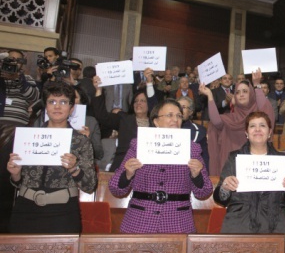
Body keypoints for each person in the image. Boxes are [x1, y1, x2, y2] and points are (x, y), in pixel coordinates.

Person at [110, 99, 212, 233]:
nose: (175, 119)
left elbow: (204, 192)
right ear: (156, 121)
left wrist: (197, 175)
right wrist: (127, 174)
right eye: (169, 115)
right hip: (140, 221)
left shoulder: (192, 149)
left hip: (178, 223)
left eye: (179, 116)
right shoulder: (139, 145)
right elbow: (116, 189)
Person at [7, 82, 97, 233]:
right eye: (52, 102)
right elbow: (17, 182)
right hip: (25, 209)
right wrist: (15, 174)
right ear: (45, 107)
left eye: (63, 102)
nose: (57, 107)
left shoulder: (81, 141)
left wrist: (75, 169)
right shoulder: (28, 137)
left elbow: (90, 186)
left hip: (63, 213)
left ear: (71, 108)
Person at [213, 111, 285, 233]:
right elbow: (220, 199)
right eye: (252, 126)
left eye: (262, 125)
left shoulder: (282, 160)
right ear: (246, 133)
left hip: (275, 228)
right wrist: (225, 188)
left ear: (270, 132)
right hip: (238, 226)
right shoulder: (234, 158)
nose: (257, 129)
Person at [198, 69, 275, 176]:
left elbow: (267, 110)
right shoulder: (230, 118)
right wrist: (210, 95)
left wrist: (257, 85)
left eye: (245, 91)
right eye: (237, 92)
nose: (241, 95)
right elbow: (216, 122)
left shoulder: (259, 116)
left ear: (252, 94)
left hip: (255, 169)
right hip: (231, 169)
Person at [91, 68, 158, 171]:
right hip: (123, 166)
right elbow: (102, 116)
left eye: (142, 101)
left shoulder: (156, 123)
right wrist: (98, 90)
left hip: (148, 167)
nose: (138, 103)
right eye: (136, 101)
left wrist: (149, 83)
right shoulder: (124, 119)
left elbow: (154, 103)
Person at [177, 96, 209, 171]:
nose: (180, 110)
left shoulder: (200, 132)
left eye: (183, 107)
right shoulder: (166, 129)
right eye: (177, 107)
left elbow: (205, 160)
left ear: (191, 112)